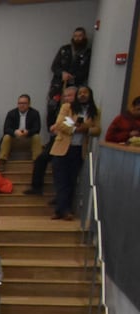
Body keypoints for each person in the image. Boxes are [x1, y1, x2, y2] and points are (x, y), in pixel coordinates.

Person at [49, 85, 99, 221]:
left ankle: (64, 210)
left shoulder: (94, 111)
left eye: (85, 93)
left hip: (79, 149)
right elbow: (59, 124)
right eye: (80, 93)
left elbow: (97, 129)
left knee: (71, 180)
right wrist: (75, 128)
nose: (82, 95)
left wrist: (86, 130)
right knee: (60, 180)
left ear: (90, 95)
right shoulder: (67, 107)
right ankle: (62, 210)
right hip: (62, 148)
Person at [0, 94, 42, 160]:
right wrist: (15, 132)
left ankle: (37, 161)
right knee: (6, 137)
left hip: (28, 139)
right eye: (20, 103)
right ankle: (2, 160)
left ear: (29, 104)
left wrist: (28, 132)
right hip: (15, 139)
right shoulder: (11, 113)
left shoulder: (34, 113)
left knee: (36, 137)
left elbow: (37, 129)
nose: (21, 105)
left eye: (24, 103)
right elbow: (6, 129)